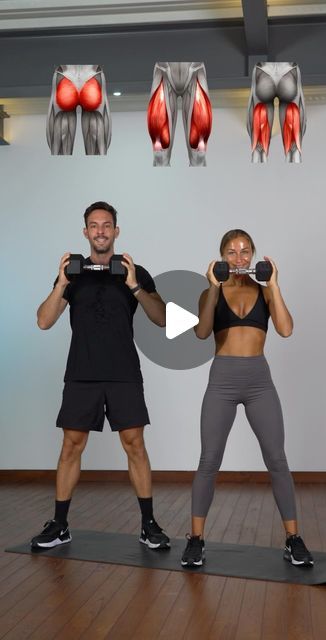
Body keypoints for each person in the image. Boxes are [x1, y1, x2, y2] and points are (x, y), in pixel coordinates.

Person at [31, 201, 170, 550]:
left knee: (135, 445)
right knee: (71, 448)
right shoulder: (73, 273)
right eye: (94, 226)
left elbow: (163, 318)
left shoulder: (133, 270)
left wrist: (136, 284)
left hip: (123, 372)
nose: (101, 231)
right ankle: (60, 525)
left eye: (107, 225)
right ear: (85, 232)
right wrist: (61, 282)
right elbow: (44, 320)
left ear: (116, 231)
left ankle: (148, 524)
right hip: (82, 372)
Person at [181, 229, 313, 567]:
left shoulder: (265, 291)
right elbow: (200, 332)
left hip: (258, 381)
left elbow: (285, 329)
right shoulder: (210, 291)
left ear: (253, 255)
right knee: (209, 460)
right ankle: (195, 540)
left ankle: (293, 539)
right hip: (222, 380)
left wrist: (277, 287)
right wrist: (213, 286)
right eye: (231, 252)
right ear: (221, 257)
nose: (239, 259)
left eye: (244, 252)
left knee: (277, 460)